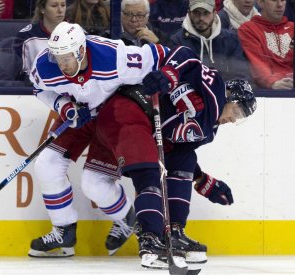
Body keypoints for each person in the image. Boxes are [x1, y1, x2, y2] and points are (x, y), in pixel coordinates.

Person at [26, 21, 212, 269]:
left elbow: (166, 56)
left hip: (112, 117)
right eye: (57, 57)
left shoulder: (115, 56)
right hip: (77, 114)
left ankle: (127, 220)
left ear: (81, 51)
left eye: (67, 58)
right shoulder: (45, 65)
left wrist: (166, 76)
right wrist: (63, 106)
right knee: (46, 165)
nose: (62, 64)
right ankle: (64, 232)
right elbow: (39, 89)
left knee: (94, 184)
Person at [142, 47, 257, 263]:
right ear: (230, 96)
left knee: (186, 160)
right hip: (137, 117)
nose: (234, 119)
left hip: (152, 140)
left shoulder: (208, 129)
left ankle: (174, 231)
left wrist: (201, 179)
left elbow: (179, 152)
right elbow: (186, 55)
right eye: (238, 111)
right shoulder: (215, 90)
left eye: (240, 117)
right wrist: (169, 74)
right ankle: (148, 232)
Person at [170, 0, 251, 81]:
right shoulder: (177, 41)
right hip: (191, 92)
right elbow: (174, 77)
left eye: (206, 13)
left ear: (214, 14)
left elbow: (241, 76)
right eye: (196, 13)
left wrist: (226, 90)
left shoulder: (231, 39)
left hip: (226, 92)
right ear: (189, 14)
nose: (201, 18)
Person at [238, 0, 294, 89]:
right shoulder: (248, 29)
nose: (280, 5)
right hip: (268, 91)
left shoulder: (293, 28)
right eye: (274, 0)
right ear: (260, 2)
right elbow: (256, 62)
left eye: (283, 0)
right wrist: (272, 82)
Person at [13, 0, 66, 80]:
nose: (60, 10)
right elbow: (21, 76)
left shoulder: (78, 34)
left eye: (63, 5)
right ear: (42, 9)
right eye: (54, 6)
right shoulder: (25, 37)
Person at [101, 0, 173, 48]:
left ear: (147, 17)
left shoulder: (158, 35)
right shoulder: (108, 36)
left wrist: (157, 43)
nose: (134, 20)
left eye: (139, 15)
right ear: (121, 15)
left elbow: (173, 58)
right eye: (128, 14)